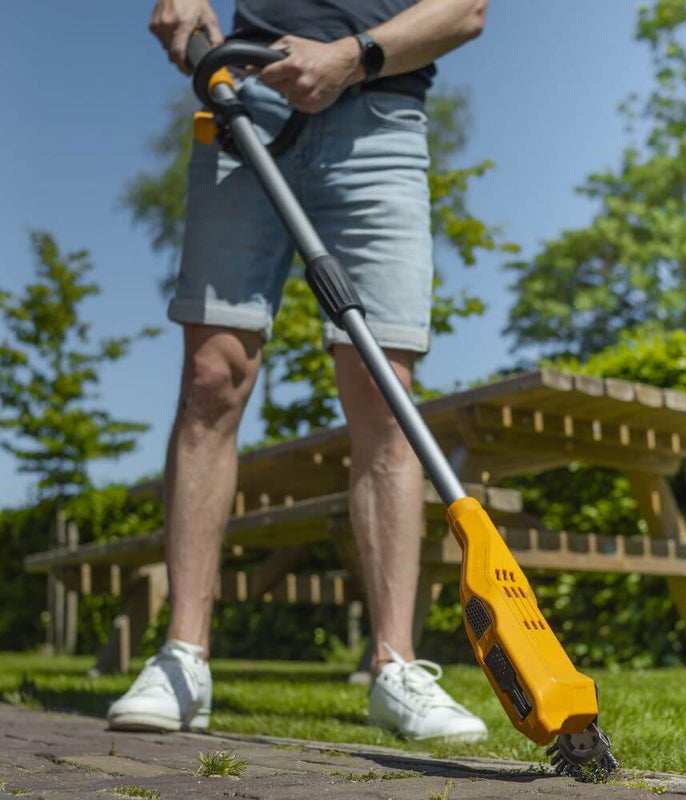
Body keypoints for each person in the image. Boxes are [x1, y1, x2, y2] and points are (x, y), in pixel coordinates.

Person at [108, 0, 489, 741]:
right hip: (243, 101)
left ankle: (395, 667)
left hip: (382, 122)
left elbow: (467, 10)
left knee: (385, 393)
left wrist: (353, 55)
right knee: (212, 379)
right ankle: (183, 660)